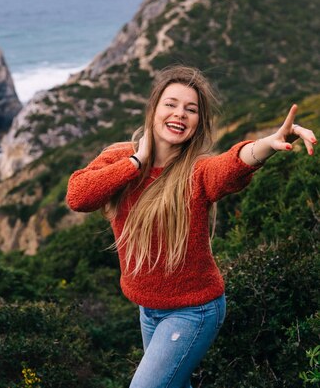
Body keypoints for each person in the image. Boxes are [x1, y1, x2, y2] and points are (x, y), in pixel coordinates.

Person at [65, 65, 317, 388]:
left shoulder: (197, 173)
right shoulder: (120, 157)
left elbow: (231, 166)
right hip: (148, 309)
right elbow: (78, 195)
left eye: (191, 109)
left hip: (194, 310)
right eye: (171, 104)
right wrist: (135, 163)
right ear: (153, 109)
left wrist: (267, 145)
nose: (179, 114)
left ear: (198, 123)